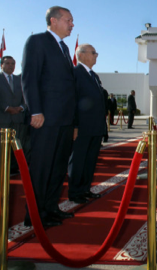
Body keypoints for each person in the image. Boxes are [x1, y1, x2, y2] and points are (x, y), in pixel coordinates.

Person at [21, 6, 76, 227]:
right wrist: (35, 110)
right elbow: (29, 78)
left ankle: (51, 208)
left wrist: (73, 122)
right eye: (68, 20)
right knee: (42, 167)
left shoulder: (63, 48)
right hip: (45, 118)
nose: (72, 24)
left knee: (58, 167)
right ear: (54, 20)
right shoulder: (37, 41)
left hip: (64, 120)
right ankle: (34, 215)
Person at [68, 44, 106, 204]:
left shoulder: (93, 76)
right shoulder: (75, 73)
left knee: (90, 159)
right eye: (93, 53)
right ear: (81, 55)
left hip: (95, 127)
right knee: (78, 159)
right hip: (82, 127)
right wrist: (75, 125)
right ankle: (75, 191)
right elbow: (73, 101)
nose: (96, 55)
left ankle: (85, 189)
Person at [0, 55, 29, 174]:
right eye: (7, 63)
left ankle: (12, 168)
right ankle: (1, 169)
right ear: (1, 65)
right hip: (2, 118)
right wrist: (6, 108)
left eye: (12, 64)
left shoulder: (20, 80)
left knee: (17, 144)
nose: (10, 66)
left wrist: (21, 108)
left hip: (18, 118)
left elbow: (26, 97)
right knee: (1, 147)